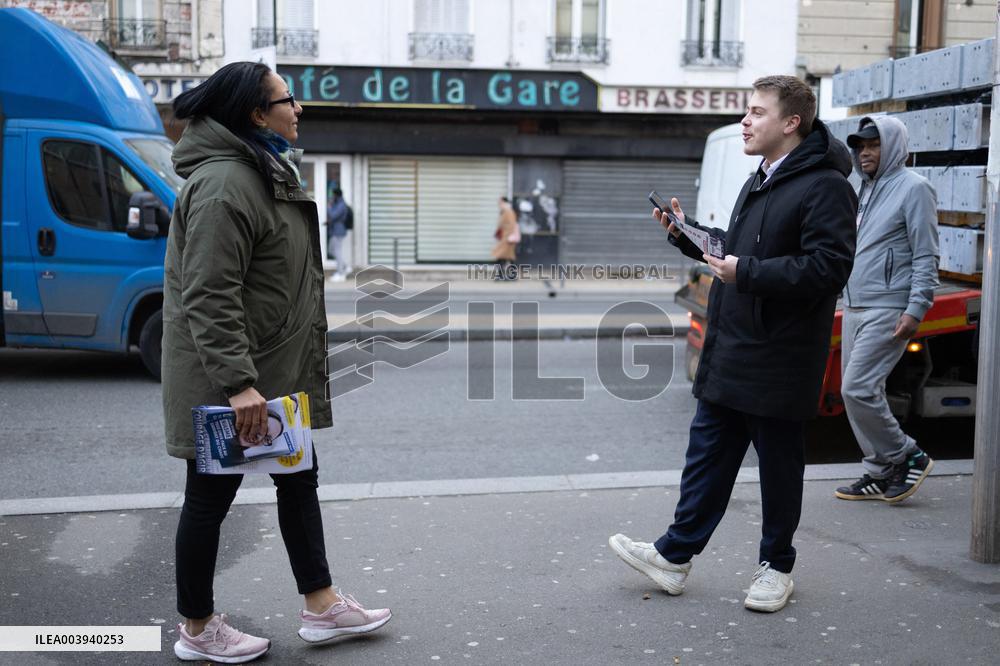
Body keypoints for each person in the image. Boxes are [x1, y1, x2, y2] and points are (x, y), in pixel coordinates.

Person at [162, 62, 391, 663]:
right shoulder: (224, 184)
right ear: (257, 114)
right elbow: (208, 293)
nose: (298, 108)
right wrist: (238, 386)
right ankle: (197, 627)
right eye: (289, 99)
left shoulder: (262, 170)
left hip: (274, 371)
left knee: (299, 481)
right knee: (209, 500)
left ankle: (321, 606)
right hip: (235, 380)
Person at [609, 76, 857, 613]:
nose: (745, 121)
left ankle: (777, 567)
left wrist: (745, 272)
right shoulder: (759, 179)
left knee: (778, 468)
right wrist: (688, 234)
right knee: (707, 459)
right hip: (732, 347)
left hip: (781, 354)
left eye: (756, 113)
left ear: (791, 123)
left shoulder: (826, 186)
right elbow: (734, 252)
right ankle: (674, 558)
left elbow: (828, 268)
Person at [834, 116, 938, 503]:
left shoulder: (915, 189)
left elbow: (926, 254)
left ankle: (907, 454)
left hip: (889, 306)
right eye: (860, 146)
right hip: (855, 304)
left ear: (892, 145)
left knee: (856, 388)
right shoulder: (863, 191)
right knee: (857, 393)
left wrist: (916, 307)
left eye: (873, 145)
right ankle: (879, 471)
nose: (864, 153)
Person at [326, 186, 353, 282]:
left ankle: (340, 273)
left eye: (333, 194)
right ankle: (345, 267)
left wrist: (329, 207)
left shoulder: (341, 204)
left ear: (336, 195)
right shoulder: (338, 203)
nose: (331, 196)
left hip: (339, 231)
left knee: (337, 251)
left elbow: (333, 215)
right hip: (335, 230)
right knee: (331, 250)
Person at [491, 196, 519, 280]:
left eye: (500, 202)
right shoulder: (505, 211)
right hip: (505, 238)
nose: (499, 204)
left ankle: (502, 275)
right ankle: (510, 275)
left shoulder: (508, 211)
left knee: (500, 257)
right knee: (508, 258)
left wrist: (508, 236)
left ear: (504, 202)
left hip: (507, 238)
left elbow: (511, 225)